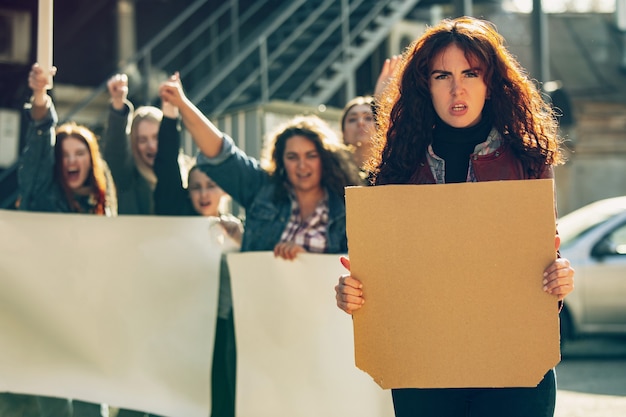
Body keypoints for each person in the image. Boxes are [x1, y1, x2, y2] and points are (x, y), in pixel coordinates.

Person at [334, 17, 575, 417]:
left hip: (514, 363)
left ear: (490, 81)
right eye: (442, 75)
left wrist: (559, 276)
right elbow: (386, 273)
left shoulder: (529, 161)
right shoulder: (397, 167)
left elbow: (543, 260)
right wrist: (355, 291)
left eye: (470, 73)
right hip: (424, 365)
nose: (457, 88)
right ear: (425, 85)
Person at [3, 63, 115, 417]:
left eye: (79, 153)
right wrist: (40, 98)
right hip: (49, 321)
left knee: (90, 409)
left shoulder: (102, 204)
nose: (71, 159)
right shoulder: (41, 196)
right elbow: (37, 144)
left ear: (90, 159)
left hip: (88, 324)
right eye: (64, 154)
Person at [159, 75, 363, 259]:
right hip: (258, 300)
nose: (302, 165)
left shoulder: (345, 205)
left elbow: (359, 266)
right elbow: (220, 153)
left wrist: (306, 261)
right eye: (292, 157)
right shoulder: (262, 189)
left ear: (324, 159)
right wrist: (182, 104)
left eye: (311, 156)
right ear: (281, 161)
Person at [154, 75, 243, 417]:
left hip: (226, 334)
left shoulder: (241, 230)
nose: (204, 194)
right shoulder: (182, 224)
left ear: (224, 190)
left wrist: (243, 241)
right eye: (196, 187)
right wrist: (170, 114)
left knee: (222, 401)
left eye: (210, 185)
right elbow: (165, 169)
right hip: (185, 327)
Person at [102, 73, 190, 215]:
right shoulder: (128, 180)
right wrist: (118, 104)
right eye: (142, 140)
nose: (151, 145)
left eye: (157, 137)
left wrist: (171, 108)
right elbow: (116, 152)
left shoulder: (188, 178)